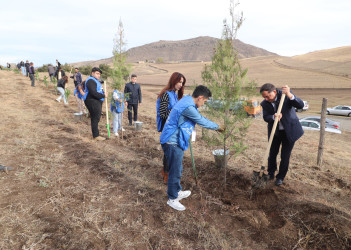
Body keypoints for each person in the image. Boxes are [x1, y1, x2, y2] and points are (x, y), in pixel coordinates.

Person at [160, 85, 225, 211]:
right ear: (200, 98)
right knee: (175, 170)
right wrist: (218, 127)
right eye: (204, 101)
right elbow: (201, 120)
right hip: (172, 141)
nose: (203, 104)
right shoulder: (189, 107)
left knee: (178, 168)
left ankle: (177, 191)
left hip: (173, 139)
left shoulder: (187, 99)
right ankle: (172, 199)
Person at [260, 83, 304, 186]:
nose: (266, 99)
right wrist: (273, 117)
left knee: (285, 156)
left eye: (267, 96)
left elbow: (300, 105)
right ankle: (271, 173)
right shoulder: (265, 103)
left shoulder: (286, 95)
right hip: (275, 132)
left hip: (289, 131)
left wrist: (289, 94)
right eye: (264, 97)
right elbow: (266, 117)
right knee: (272, 154)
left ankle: (280, 177)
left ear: (274, 92)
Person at [156, 72, 186, 183]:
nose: (181, 85)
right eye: (179, 82)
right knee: (170, 151)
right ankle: (167, 175)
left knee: (169, 151)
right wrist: (176, 110)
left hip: (172, 126)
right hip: (167, 127)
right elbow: (163, 113)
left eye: (182, 83)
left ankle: (165, 171)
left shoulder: (174, 94)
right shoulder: (166, 94)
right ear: (173, 81)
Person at [83, 67, 107, 141]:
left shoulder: (95, 81)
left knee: (96, 117)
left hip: (96, 100)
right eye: (97, 73)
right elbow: (93, 93)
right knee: (95, 117)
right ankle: (96, 136)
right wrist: (103, 95)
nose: (98, 75)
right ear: (92, 73)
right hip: (92, 100)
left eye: (99, 74)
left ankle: (96, 134)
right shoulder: (90, 80)